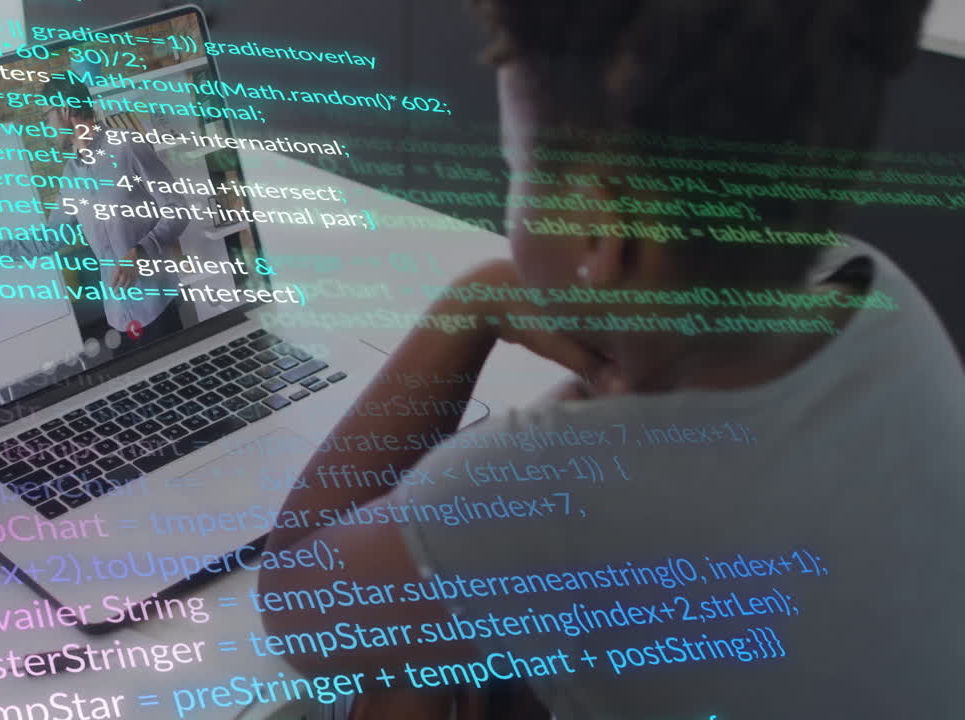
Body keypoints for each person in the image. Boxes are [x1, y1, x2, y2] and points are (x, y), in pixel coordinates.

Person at [258, 1, 963, 718]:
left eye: (517, 170)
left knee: (400, 673)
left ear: (598, 233)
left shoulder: (552, 486)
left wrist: (469, 307)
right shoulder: (884, 300)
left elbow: (297, 609)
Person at [0, 76, 190, 350]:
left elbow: (177, 209)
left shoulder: (127, 145)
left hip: (158, 308)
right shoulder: (70, 176)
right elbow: (50, 239)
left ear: (65, 110)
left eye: (47, 116)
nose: (46, 127)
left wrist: (139, 251)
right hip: (119, 318)